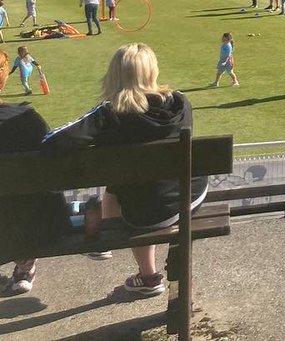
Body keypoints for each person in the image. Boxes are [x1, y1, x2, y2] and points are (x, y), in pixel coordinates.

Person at [43, 44, 208, 297]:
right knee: (135, 188)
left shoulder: (110, 113)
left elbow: (53, 142)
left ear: (114, 74)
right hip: (193, 195)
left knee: (126, 193)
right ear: (152, 71)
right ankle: (140, 267)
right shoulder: (181, 102)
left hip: (148, 212)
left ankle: (142, 271)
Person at [0, 48, 70, 295]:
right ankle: (25, 267)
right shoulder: (27, 118)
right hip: (39, 224)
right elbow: (55, 162)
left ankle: (23, 267)